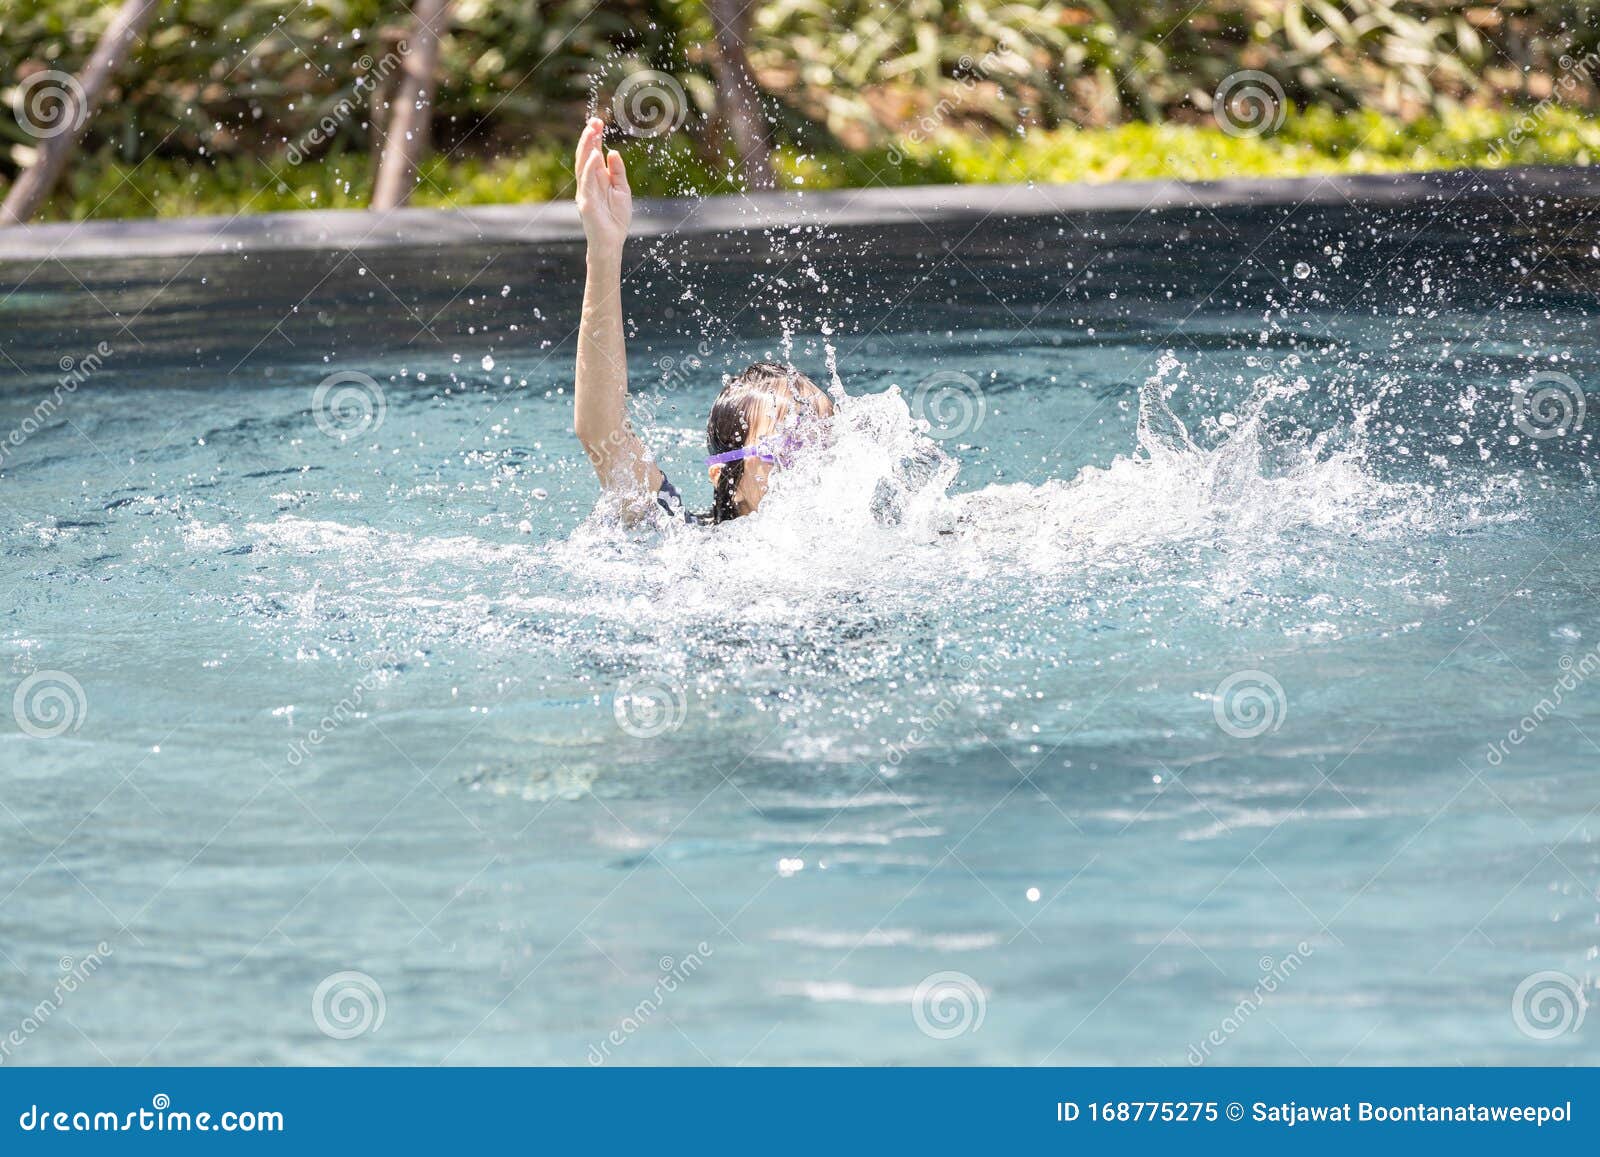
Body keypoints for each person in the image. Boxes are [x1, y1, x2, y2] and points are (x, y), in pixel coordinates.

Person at [571, 116, 835, 524]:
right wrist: (603, 250)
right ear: (724, 476)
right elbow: (602, 435)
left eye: (826, 445)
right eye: (789, 449)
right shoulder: (685, 538)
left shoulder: (876, 534)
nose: (816, 467)